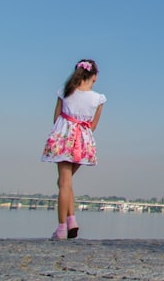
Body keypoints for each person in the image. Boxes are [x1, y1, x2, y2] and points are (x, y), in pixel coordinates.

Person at [40, 59, 106, 240]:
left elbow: (56, 119)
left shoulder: (64, 92)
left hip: (64, 140)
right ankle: (72, 220)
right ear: (95, 77)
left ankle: (61, 228)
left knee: (63, 183)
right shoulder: (98, 99)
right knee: (65, 182)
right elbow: (92, 126)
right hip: (84, 143)